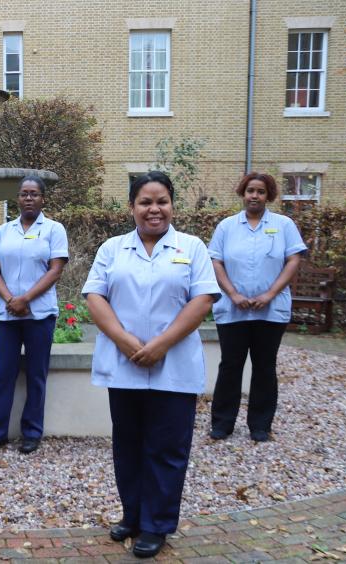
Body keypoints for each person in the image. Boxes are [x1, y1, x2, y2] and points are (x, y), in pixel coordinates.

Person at [82, 172, 220, 558]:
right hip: (124, 365)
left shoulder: (191, 248)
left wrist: (160, 344)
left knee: (167, 448)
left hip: (173, 366)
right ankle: (133, 515)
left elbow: (203, 300)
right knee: (128, 445)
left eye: (161, 201)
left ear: (172, 205)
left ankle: (156, 524)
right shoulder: (112, 248)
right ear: (132, 207)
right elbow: (95, 296)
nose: (154, 209)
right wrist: (126, 341)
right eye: (145, 202)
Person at [208, 173, 307, 442]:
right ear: (243, 193)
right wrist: (233, 294)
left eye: (261, 192)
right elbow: (216, 261)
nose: (255, 196)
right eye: (250, 190)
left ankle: (260, 425)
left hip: (271, 310)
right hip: (233, 309)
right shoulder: (227, 227)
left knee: (265, 366)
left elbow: (293, 260)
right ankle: (222, 424)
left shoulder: (284, 225)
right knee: (230, 365)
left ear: (269, 195)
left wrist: (270, 294)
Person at [0, 175, 68, 455]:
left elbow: (55, 269)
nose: (28, 198)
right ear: (17, 198)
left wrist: (26, 299)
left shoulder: (54, 229)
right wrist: (10, 299)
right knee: (2, 374)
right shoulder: (5, 231)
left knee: (36, 375)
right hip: (7, 315)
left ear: (43, 198)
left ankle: (32, 433)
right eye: (24, 194)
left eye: (34, 194)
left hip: (39, 314)